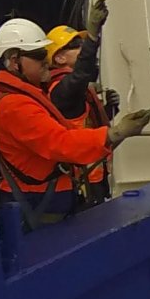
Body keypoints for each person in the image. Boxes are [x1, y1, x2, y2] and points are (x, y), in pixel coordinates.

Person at [0, 16, 148, 226]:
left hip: (50, 198)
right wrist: (115, 133)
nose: (46, 60)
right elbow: (61, 143)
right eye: (39, 55)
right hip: (39, 204)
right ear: (14, 61)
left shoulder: (29, 96)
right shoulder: (17, 106)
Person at [43, 19, 114, 204]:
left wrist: (108, 111)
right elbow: (81, 74)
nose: (81, 48)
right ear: (59, 58)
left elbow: (84, 122)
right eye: (76, 45)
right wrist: (92, 38)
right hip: (82, 178)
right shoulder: (61, 90)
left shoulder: (73, 89)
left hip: (94, 173)